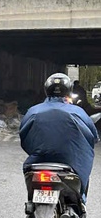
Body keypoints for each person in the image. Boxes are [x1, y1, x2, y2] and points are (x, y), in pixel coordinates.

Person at [20, 72, 99, 204]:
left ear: (46, 90)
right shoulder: (77, 111)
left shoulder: (34, 111)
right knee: (84, 171)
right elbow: (93, 137)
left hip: (39, 159)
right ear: (69, 90)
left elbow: (24, 136)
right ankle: (81, 202)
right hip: (71, 161)